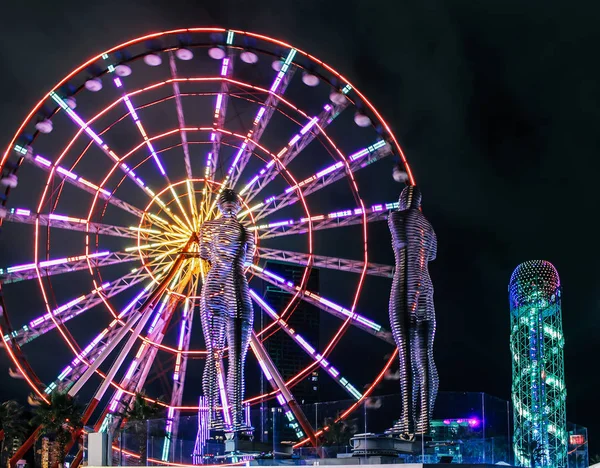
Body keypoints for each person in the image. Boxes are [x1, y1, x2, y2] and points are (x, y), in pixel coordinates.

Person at [199, 188, 255, 431]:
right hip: (232, 288)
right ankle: (226, 418)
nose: (230, 206)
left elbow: (204, 254)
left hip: (220, 288)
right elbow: (248, 260)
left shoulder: (208, 228)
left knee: (224, 357)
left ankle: (226, 418)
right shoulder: (245, 232)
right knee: (225, 357)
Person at [388, 185, 438, 438]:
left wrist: (411, 293)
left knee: (406, 357)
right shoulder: (429, 227)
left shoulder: (397, 217)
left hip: (405, 287)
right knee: (425, 359)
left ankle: (407, 421)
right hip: (427, 290)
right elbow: (431, 256)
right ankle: (424, 423)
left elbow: (401, 244)